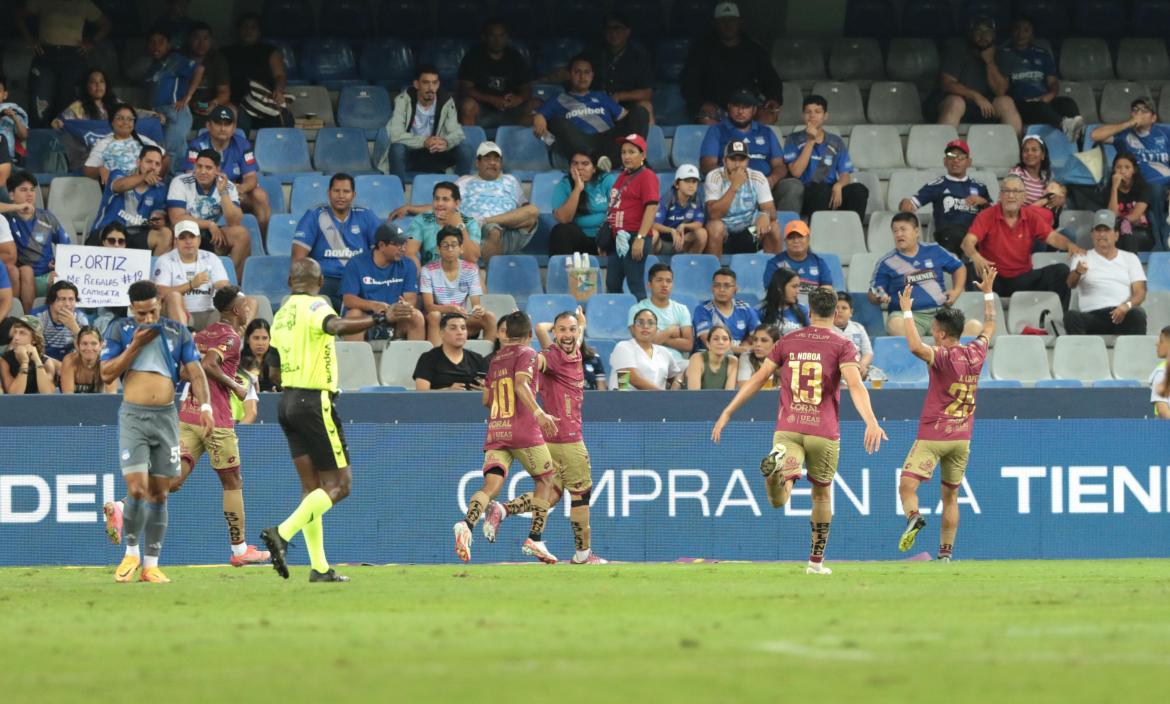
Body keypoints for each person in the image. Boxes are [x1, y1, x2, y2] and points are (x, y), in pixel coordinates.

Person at [712, 287, 887, 575]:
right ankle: (815, 563)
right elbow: (855, 385)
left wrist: (728, 411)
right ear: (834, 313)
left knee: (779, 499)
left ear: (809, 312)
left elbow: (758, 378)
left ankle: (773, 476)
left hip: (789, 428)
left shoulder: (788, 341)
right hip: (823, 431)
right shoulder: (843, 344)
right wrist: (871, 421)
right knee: (821, 495)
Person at [259, 258, 390, 583]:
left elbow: (272, 368)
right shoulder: (315, 306)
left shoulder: (282, 314)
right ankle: (282, 533)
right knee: (340, 486)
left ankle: (319, 568)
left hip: (286, 401)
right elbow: (335, 327)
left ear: (290, 280)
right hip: (314, 400)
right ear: (319, 283)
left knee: (312, 489)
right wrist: (378, 319)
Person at [100, 280, 214, 583]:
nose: (147, 319)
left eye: (151, 311)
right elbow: (107, 372)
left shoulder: (178, 332)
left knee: (160, 494)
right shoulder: (119, 330)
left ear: (159, 305)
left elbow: (197, 372)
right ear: (131, 310)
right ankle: (131, 554)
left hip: (165, 418)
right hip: (134, 418)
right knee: (137, 488)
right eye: (140, 314)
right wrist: (135, 345)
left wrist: (206, 408)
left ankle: (151, 565)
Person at [484, 309, 608, 563]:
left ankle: (502, 509)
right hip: (567, 439)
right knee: (581, 493)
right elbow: (533, 361)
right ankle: (583, 554)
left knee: (550, 495)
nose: (569, 334)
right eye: (561, 330)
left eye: (572, 330)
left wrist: (578, 321)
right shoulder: (550, 357)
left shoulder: (572, 348)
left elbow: (572, 331)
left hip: (549, 438)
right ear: (554, 333)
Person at [895, 269, 997, 562]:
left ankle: (913, 517)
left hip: (934, 435)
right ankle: (945, 555)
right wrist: (988, 292)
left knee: (907, 485)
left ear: (940, 334)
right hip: (962, 438)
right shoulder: (976, 351)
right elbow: (989, 324)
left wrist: (906, 313)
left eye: (934, 332)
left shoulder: (941, 355)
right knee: (950, 497)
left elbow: (915, 346)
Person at [166, 286, 270, 567]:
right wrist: (236, 385)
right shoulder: (232, 338)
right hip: (218, 420)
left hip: (189, 413)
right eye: (245, 305)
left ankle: (124, 505)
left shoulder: (203, 334)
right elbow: (211, 365)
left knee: (173, 480)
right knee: (232, 481)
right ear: (236, 310)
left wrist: (238, 374)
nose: (249, 309)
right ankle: (240, 551)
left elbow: (185, 370)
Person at [454, 311, 560, 563]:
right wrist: (539, 412)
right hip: (524, 430)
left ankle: (466, 525)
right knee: (548, 481)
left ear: (506, 332)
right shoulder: (528, 354)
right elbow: (520, 384)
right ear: (529, 335)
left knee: (491, 487)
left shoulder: (496, 359)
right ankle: (535, 538)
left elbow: (486, 399)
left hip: (497, 430)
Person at [962, 175, 1085, 311]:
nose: (1011, 195)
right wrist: (976, 256)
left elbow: (1053, 237)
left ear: (1024, 196)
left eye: (1016, 191)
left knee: (1060, 271)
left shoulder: (1031, 217)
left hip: (1023, 278)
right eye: (1006, 191)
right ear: (1000, 196)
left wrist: (1069, 245)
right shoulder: (987, 215)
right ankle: (976, 319)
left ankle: (1059, 319)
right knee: (970, 269)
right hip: (992, 278)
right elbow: (967, 242)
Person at [870, 212, 981, 338]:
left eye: (903, 229)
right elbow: (874, 292)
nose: (898, 234)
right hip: (908, 316)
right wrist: (879, 296)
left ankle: (946, 355)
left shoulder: (934, 250)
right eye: (895, 231)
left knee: (975, 327)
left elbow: (959, 267)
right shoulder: (886, 262)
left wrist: (957, 290)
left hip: (941, 314)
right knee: (895, 324)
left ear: (916, 232)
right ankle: (925, 353)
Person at [533, 55, 650, 169]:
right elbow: (540, 116)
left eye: (586, 72)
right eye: (577, 72)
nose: (582, 76)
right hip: (582, 143)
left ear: (592, 75)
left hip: (609, 143)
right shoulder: (558, 99)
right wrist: (539, 120)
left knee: (640, 112)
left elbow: (628, 119)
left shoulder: (602, 97)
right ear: (569, 75)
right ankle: (594, 161)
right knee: (556, 122)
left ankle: (637, 161)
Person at [1089, 96, 1170, 249]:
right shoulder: (1124, 134)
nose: (1139, 113)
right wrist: (1129, 123)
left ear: (1153, 117)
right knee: (1152, 190)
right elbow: (1095, 135)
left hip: (1166, 185)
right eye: (1135, 110)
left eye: (1144, 110)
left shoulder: (1165, 133)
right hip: (1140, 189)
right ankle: (1161, 247)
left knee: (1157, 191)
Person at [681, 2, 782, 125]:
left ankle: (753, 144)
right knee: (706, 119)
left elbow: (770, 78)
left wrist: (774, 98)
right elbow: (689, 82)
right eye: (723, 21)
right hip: (715, 107)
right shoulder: (702, 50)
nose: (727, 25)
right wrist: (701, 104)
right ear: (715, 24)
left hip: (747, 106)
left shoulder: (753, 50)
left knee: (768, 115)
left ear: (739, 23)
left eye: (731, 21)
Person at [292, 173, 382, 308]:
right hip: (325, 279)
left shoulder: (365, 214)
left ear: (353, 195)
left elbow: (383, 249)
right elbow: (298, 257)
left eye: (346, 191)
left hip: (358, 278)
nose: (341, 196)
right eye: (336, 191)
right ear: (329, 193)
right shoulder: (315, 214)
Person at [16, 0, 111, 127]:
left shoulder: (83, 3)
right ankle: (39, 140)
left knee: (69, 104)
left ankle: (66, 143)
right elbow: (19, 17)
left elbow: (106, 24)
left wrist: (92, 42)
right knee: (40, 104)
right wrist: (29, 39)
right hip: (46, 54)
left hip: (73, 56)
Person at [776, 95, 868, 222]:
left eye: (817, 112)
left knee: (859, 190)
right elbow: (796, 172)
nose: (812, 115)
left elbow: (845, 174)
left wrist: (839, 185)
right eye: (808, 112)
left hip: (831, 192)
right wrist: (810, 141)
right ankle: (818, 233)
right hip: (806, 193)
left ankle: (852, 231)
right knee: (821, 190)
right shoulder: (793, 139)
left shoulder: (836, 141)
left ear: (825, 116)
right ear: (803, 116)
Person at [184, 106, 271, 237]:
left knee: (260, 195)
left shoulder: (242, 144)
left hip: (232, 192)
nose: (223, 128)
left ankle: (264, 242)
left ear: (234, 127)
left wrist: (240, 189)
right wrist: (219, 191)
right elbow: (190, 175)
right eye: (218, 123)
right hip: (205, 194)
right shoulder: (197, 145)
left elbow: (251, 177)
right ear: (208, 125)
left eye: (227, 124)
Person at [166, 148, 251, 282]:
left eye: (208, 168)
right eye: (199, 166)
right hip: (186, 233)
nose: (202, 171)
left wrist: (223, 193)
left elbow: (234, 221)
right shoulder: (181, 182)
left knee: (242, 234)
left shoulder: (227, 186)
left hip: (213, 236)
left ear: (217, 170)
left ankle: (229, 283)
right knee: (175, 233)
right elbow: (176, 218)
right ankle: (178, 282)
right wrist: (209, 224)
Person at [997, 16, 1083, 142]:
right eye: (1017, 29)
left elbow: (1053, 82)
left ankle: (1079, 143)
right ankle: (1064, 126)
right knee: (1039, 107)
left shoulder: (1042, 54)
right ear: (1011, 32)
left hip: (1043, 101)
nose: (1021, 34)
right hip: (1020, 104)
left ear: (1032, 35)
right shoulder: (1003, 54)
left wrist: (1050, 95)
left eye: (1026, 30)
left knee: (1068, 103)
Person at [382, 64, 473, 182]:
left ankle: (459, 190)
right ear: (416, 84)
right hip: (411, 153)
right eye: (426, 83)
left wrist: (446, 142)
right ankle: (398, 193)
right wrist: (424, 141)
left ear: (438, 84)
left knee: (465, 149)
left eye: (434, 83)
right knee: (397, 149)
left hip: (436, 153)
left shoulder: (446, 101)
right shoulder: (403, 100)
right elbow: (395, 135)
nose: (431, 88)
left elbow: (457, 133)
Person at [900, 139, 991, 255]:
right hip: (948, 237)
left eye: (961, 157)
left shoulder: (980, 187)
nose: (956, 160)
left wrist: (982, 201)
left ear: (969, 162)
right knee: (956, 235)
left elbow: (992, 214)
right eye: (951, 156)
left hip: (975, 236)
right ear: (945, 161)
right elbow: (909, 204)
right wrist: (905, 203)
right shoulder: (937, 185)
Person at [1064, 210, 1148, 336]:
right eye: (1098, 230)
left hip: (1121, 313)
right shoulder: (1082, 257)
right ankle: (1081, 355)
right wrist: (1077, 272)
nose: (1102, 234)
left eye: (1107, 230)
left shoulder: (1130, 258)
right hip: (1091, 316)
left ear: (1116, 235)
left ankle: (1132, 355)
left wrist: (1127, 306)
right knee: (1071, 317)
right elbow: (1070, 284)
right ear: (1092, 234)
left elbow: (1140, 292)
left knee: (1138, 315)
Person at [936, 16, 1022, 136]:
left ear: (994, 35)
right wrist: (976, 96)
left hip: (985, 108)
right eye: (978, 31)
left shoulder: (1001, 55)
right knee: (956, 102)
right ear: (970, 34)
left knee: (1006, 102)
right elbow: (946, 83)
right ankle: (941, 150)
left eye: (987, 31)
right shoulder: (958, 50)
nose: (983, 35)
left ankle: (1015, 151)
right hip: (955, 104)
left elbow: (1000, 91)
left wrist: (990, 62)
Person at [339, 223, 425, 342]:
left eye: (404, 243)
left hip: (396, 317)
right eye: (397, 244)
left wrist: (402, 307)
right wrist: (375, 306)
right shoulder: (356, 263)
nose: (403, 248)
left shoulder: (408, 264)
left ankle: (415, 360)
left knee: (416, 316)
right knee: (354, 314)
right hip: (367, 317)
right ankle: (354, 359)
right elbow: (348, 299)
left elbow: (411, 298)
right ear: (382, 245)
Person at [698, 89, 787, 203]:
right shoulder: (717, 130)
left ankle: (780, 219)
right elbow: (707, 165)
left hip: (765, 186)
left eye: (746, 107)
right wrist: (732, 181)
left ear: (754, 110)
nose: (740, 111)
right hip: (730, 187)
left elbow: (779, 165)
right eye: (736, 106)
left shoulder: (766, 131)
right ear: (729, 107)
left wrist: (772, 180)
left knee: (791, 187)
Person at [455, 141, 540, 261]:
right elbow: (449, 207)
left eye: (497, 159)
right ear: (477, 163)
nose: (492, 163)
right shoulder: (463, 181)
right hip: (471, 234)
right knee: (493, 230)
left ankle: (484, 221)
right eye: (487, 158)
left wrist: (488, 221)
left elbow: (526, 209)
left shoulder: (511, 180)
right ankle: (492, 277)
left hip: (507, 231)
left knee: (533, 210)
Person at [603, 134, 659, 298]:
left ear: (643, 155)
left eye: (632, 152)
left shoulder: (647, 176)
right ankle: (618, 319)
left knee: (635, 282)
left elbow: (651, 207)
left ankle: (646, 322)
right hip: (618, 238)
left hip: (635, 236)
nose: (626, 156)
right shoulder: (622, 176)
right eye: (623, 152)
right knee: (612, 283)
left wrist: (640, 238)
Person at [419, 226, 496, 346]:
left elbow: (476, 304)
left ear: (461, 249)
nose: (450, 249)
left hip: (462, 317)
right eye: (445, 246)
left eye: (454, 245)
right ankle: (436, 359)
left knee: (489, 317)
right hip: (439, 317)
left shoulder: (471, 269)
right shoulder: (427, 270)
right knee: (434, 315)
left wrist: (478, 309)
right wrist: (451, 309)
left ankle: (487, 359)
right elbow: (429, 306)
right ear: (439, 249)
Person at [703, 139, 781, 256]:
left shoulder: (757, 177)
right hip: (725, 235)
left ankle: (773, 270)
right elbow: (714, 214)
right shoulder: (714, 177)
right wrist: (734, 186)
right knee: (715, 226)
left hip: (750, 232)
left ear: (747, 161)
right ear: (724, 160)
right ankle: (715, 272)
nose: (737, 164)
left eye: (742, 160)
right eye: (733, 159)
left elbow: (772, 211)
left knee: (773, 226)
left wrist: (765, 214)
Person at [6, 171, 70, 312]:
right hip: (17, 276)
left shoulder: (46, 217)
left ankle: (29, 320)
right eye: (23, 190)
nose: (29, 194)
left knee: (58, 280)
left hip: (45, 276)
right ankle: (19, 316)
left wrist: (59, 263)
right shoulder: (6, 219)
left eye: (32, 190)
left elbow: (66, 246)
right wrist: (16, 208)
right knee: (26, 271)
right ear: (11, 195)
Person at [91, 144, 174, 255]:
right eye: (148, 162)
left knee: (165, 234)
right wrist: (143, 177)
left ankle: (153, 271)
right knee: (114, 236)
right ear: (138, 162)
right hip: (106, 234)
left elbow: (157, 216)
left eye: (157, 164)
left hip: (133, 237)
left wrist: (157, 220)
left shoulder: (161, 189)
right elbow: (119, 186)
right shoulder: (118, 174)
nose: (153, 167)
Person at [153, 220, 232, 330]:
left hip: (209, 312)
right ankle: (185, 342)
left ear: (199, 239)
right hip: (179, 312)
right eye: (182, 238)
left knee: (248, 301)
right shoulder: (165, 260)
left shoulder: (211, 258)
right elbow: (160, 292)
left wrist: (230, 293)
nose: (188, 241)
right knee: (174, 296)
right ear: (176, 241)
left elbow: (222, 284)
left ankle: (237, 342)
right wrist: (191, 284)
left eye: (192, 237)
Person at [457, 18, 535, 127]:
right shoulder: (473, 56)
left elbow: (526, 88)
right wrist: (492, 99)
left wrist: (518, 99)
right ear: (484, 38)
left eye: (501, 36)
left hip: (510, 109)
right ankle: (471, 143)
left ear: (507, 37)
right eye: (493, 36)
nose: (497, 40)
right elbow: (465, 88)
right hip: (483, 108)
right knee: (468, 105)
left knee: (537, 104)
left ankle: (530, 142)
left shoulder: (515, 56)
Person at [220, 12, 290, 130]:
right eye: (244, 27)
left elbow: (280, 75)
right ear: (238, 30)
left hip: (263, 101)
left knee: (280, 117)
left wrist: (278, 91)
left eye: (253, 27)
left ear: (259, 31)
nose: (248, 31)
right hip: (236, 103)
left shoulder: (269, 51)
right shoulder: (226, 52)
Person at [579, 13, 655, 120]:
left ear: (627, 32)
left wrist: (619, 96)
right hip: (596, 105)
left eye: (617, 28)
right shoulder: (593, 54)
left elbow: (647, 93)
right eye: (609, 29)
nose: (613, 33)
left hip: (626, 107)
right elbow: (572, 71)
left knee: (646, 106)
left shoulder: (639, 58)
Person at [144, 29, 203, 163]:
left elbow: (199, 69)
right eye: (152, 42)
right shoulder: (152, 66)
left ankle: (175, 180)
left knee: (169, 153)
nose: (156, 46)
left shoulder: (175, 59)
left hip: (175, 110)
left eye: (161, 42)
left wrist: (187, 97)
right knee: (165, 151)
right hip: (157, 113)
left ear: (169, 45)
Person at [548, 151, 618, 255]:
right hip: (580, 240)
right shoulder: (564, 185)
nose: (579, 168)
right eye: (575, 163)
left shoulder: (606, 180)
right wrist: (577, 189)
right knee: (561, 231)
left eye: (585, 164)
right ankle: (561, 269)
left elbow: (619, 211)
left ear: (594, 168)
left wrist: (605, 240)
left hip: (606, 237)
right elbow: (564, 219)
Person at [401, 181, 483, 267]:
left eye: (445, 199)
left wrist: (460, 226)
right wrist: (423, 277)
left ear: (457, 203)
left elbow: (472, 258)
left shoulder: (470, 223)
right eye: (436, 199)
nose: (439, 204)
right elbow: (410, 253)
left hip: (461, 275)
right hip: (430, 274)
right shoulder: (422, 219)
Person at [628, 263, 694, 363]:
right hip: (646, 361)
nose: (664, 285)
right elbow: (642, 340)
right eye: (659, 280)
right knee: (622, 371)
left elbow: (688, 345)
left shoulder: (682, 309)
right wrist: (670, 331)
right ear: (649, 284)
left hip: (675, 363)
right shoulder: (637, 309)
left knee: (693, 367)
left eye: (669, 281)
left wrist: (658, 338)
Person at [83, 105, 165, 186]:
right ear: (112, 122)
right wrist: (100, 170)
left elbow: (165, 157)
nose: (125, 122)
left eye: (130, 119)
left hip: (145, 189)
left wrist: (155, 177)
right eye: (120, 118)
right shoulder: (104, 144)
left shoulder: (143, 140)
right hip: (118, 191)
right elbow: (88, 170)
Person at [609, 307, 686, 390]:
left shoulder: (663, 352)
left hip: (658, 401)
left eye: (651, 323)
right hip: (624, 400)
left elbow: (676, 374)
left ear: (656, 329)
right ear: (634, 328)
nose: (645, 326)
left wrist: (677, 383)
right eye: (640, 322)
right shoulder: (623, 347)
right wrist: (664, 396)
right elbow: (634, 379)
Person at [413, 312, 488, 390]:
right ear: (442, 333)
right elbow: (421, 393)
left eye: (463, 328)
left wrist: (485, 390)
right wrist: (448, 391)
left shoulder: (477, 359)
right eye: (453, 328)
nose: (460, 332)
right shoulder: (428, 358)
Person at [693, 267, 760, 353]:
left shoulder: (745, 308)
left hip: (741, 357)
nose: (721, 289)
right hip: (709, 359)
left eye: (727, 285)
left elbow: (758, 336)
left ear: (736, 289)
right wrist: (744, 350)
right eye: (717, 285)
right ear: (712, 288)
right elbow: (711, 344)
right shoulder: (703, 310)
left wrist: (746, 343)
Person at [762, 220, 836, 295]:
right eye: (791, 238)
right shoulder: (774, 264)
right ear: (785, 241)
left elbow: (827, 290)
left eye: (800, 236)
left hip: (813, 305)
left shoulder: (819, 262)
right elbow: (771, 292)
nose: (796, 241)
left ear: (808, 238)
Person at [1102, 153, 1155, 252]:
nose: (1122, 171)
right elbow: (1112, 215)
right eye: (1118, 167)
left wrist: (1122, 223)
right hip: (1117, 231)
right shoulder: (1108, 190)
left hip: (1140, 231)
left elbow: (1135, 216)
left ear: (1134, 170)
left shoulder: (1143, 188)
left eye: (1127, 167)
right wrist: (1114, 188)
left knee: (1127, 238)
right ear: (1114, 170)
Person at [652, 164, 708, 254]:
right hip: (662, 243)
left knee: (702, 233)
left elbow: (699, 223)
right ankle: (650, 264)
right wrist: (672, 231)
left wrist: (684, 226)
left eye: (694, 181)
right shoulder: (666, 199)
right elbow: (654, 225)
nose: (691, 185)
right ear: (676, 184)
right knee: (653, 234)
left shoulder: (697, 199)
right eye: (687, 181)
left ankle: (691, 263)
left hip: (682, 242)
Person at [184, 23, 231, 129]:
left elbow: (224, 93)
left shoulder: (217, 59)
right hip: (184, 103)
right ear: (189, 39)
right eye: (196, 38)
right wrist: (190, 103)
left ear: (211, 41)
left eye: (205, 38)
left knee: (232, 110)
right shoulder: (180, 57)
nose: (201, 43)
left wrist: (213, 104)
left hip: (208, 104)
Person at [1, 316, 58, 394]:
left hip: (38, 404)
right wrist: (24, 363)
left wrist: (37, 361)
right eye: (15, 332)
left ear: (34, 339)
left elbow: (47, 393)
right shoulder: (5, 361)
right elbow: (14, 395)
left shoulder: (46, 362)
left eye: (22, 333)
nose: (16, 337)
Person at [1008, 135, 1064, 214]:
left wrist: (1059, 199)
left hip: (1038, 218)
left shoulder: (1047, 176)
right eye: (1025, 150)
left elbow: (1056, 197)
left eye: (1034, 150)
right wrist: (1043, 202)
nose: (1029, 153)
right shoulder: (1016, 173)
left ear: (1043, 155)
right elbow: (1011, 205)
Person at [36, 280, 88, 361]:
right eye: (62, 299)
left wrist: (74, 327)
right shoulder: (39, 316)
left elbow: (88, 349)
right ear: (51, 301)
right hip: (44, 363)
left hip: (71, 362)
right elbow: (33, 349)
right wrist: (57, 366)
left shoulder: (80, 318)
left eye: (71, 299)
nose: (67, 304)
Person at [60, 326, 116, 393]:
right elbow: (68, 397)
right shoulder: (69, 361)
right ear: (77, 345)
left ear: (101, 345)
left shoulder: (108, 363)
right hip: (73, 403)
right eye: (84, 344)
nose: (89, 348)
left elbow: (111, 397)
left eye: (94, 344)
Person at [686, 323, 738, 390]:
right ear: (708, 344)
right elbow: (694, 394)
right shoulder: (697, 358)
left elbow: (728, 394)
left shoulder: (733, 361)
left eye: (725, 339)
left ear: (730, 344)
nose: (721, 342)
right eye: (716, 339)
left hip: (722, 400)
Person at [833, 292, 873, 381]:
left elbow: (868, 353)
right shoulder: (827, 330)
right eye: (836, 307)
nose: (839, 311)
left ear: (851, 312)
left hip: (857, 370)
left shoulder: (858, 328)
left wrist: (862, 365)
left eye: (844, 308)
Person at [760, 267, 809, 335]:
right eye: (794, 286)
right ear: (779, 287)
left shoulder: (803, 310)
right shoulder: (761, 311)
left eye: (798, 287)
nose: (797, 291)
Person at [736, 324, 782, 389]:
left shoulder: (786, 360)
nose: (758, 344)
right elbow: (744, 388)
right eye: (755, 340)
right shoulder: (746, 357)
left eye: (764, 340)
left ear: (776, 344)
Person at [241, 318, 281, 392]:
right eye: (256, 338)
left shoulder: (274, 363)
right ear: (247, 339)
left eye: (265, 338)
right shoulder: (239, 362)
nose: (260, 343)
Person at [0, 78, 30, 151]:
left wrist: (14, 118)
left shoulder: (12, 109)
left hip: (8, 159)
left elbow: (24, 136)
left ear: (5, 95)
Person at [1150, 328, 1170, 419]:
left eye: (1161, 341)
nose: (1157, 344)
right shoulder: (1162, 373)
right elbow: (1163, 411)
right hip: (1164, 430)